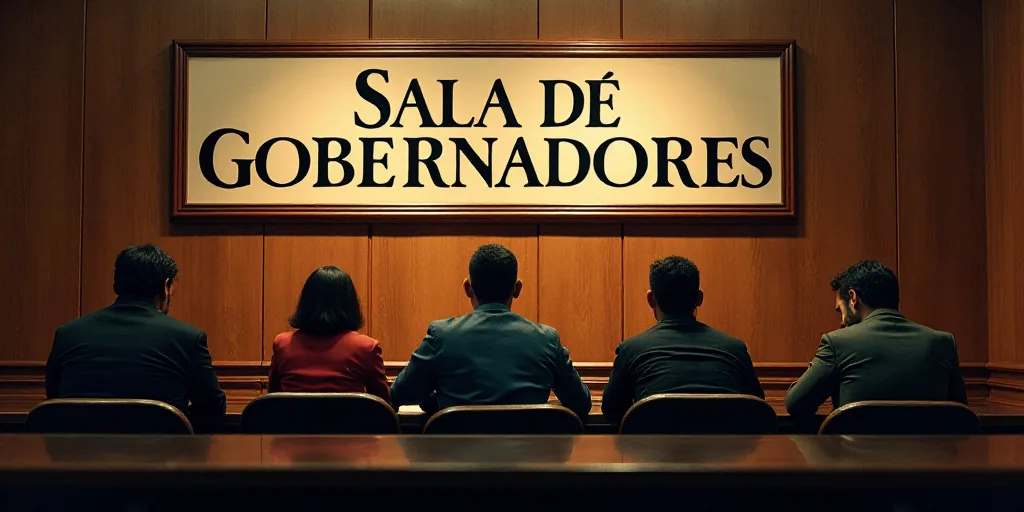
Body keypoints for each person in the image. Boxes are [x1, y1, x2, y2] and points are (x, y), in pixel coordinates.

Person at [390, 244, 591, 418]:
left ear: (468, 288)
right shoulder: (547, 339)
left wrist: (439, 398)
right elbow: (581, 403)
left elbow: (398, 394)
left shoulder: (441, 335)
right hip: (527, 460)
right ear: (517, 288)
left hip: (457, 460)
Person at [45, 244, 225, 420]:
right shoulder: (188, 338)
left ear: (116, 285)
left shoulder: (68, 334)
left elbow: (54, 398)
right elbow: (213, 408)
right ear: (166, 286)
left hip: (79, 449)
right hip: (163, 449)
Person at [786, 260, 967, 416]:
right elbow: (960, 412)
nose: (841, 321)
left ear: (853, 297)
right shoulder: (943, 343)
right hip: (931, 456)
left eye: (840, 309)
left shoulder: (837, 343)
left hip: (854, 456)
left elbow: (796, 404)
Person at [602, 256, 763, 424]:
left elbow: (612, 409)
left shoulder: (630, 350)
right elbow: (757, 409)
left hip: (653, 450)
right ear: (699, 298)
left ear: (651, 299)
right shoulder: (735, 349)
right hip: (722, 450)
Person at [269, 266, 389, 402]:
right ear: (349, 303)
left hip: (295, 423)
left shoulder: (283, 345)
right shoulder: (366, 347)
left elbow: (272, 402)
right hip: (349, 424)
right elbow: (383, 406)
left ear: (306, 302)